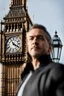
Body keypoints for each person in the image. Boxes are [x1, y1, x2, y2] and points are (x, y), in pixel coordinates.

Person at [17, 24, 64, 96]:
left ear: (50, 49)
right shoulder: (25, 78)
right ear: (27, 47)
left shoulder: (57, 70)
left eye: (40, 38)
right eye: (31, 38)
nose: (35, 41)